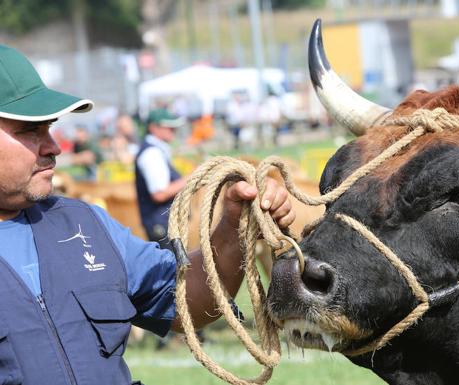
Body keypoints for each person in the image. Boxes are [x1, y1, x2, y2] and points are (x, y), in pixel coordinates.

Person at [0, 44, 295, 385]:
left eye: (49, 129)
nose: (53, 146)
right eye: (29, 131)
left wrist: (233, 225)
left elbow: (186, 299)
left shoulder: (85, 225)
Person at [134, 108, 187, 249]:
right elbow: (159, 194)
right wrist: (189, 180)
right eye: (168, 127)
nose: (173, 130)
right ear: (153, 128)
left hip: (164, 224)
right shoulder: (151, 154)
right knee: (175, 267)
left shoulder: (155, 150)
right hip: (162, 225)